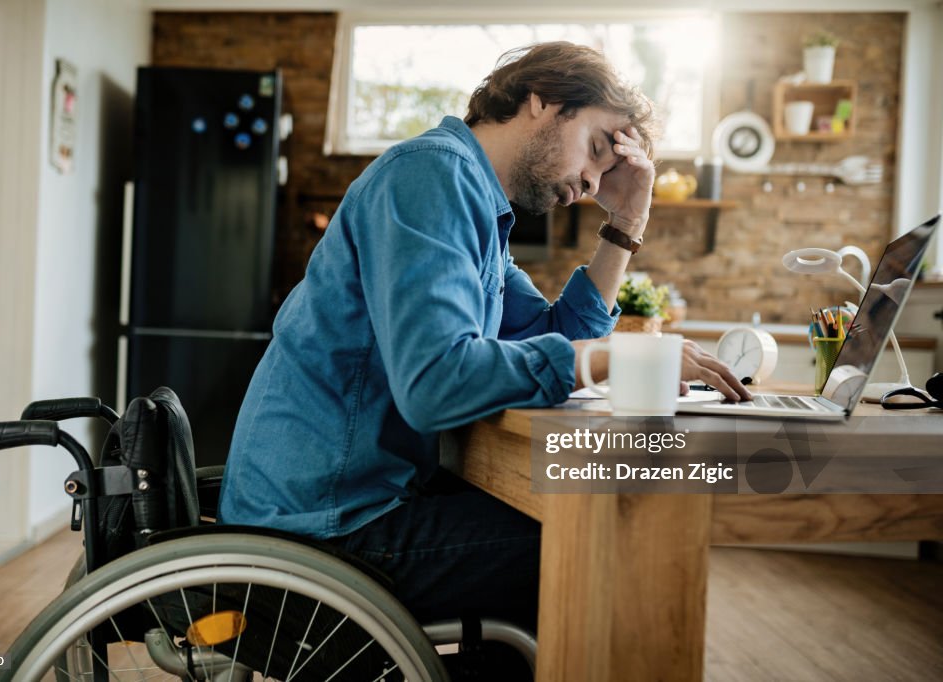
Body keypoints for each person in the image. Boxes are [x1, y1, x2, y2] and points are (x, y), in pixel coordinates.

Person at [218, 40, 749, 653]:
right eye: (597, 149)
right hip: (323, 528)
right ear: (542, 99)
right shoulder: (431, 176)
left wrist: (626, 224)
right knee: (611, 535)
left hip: (348, 507)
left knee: (586, 517)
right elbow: (437, 382)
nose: (589, 182)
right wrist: (617, 357)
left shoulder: (479, 209)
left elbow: (558, 338)